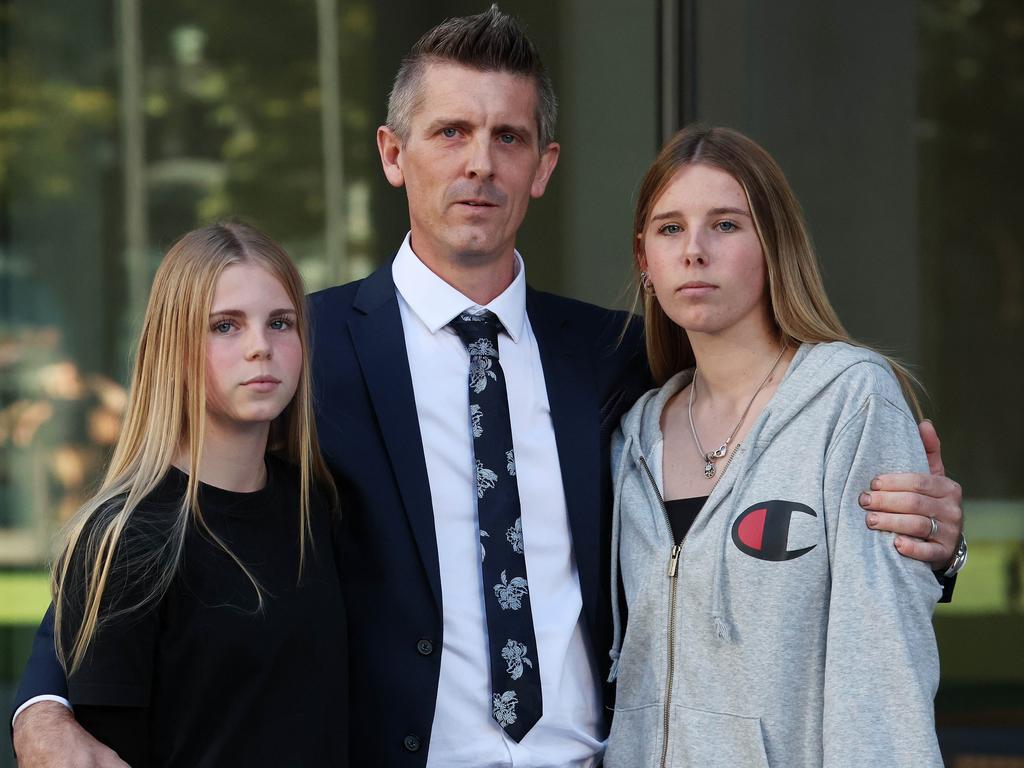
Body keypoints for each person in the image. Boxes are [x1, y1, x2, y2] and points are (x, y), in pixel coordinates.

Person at [11, 8, 964, 768]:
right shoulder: (311, 348)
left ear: (543, 168)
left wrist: (924, 541)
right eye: (451, 132)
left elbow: (739, 493)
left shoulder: (621, 360)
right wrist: (44, 698)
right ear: (394, 153)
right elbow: (168, 516)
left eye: (508, 137)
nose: (479, 162)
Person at [604, 125, 944, 767]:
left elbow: (882, 665)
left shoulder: (849, 400)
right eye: (670, 228)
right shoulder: (631, 440)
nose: (695, 251)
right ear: (644, 260)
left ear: (774, 245)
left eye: (727, 225)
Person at [34, 222, 347, 766]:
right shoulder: (127, 539)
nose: (260, 348)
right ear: (173, 345)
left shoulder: (316, 505)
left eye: (280, 323)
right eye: (225, 326)